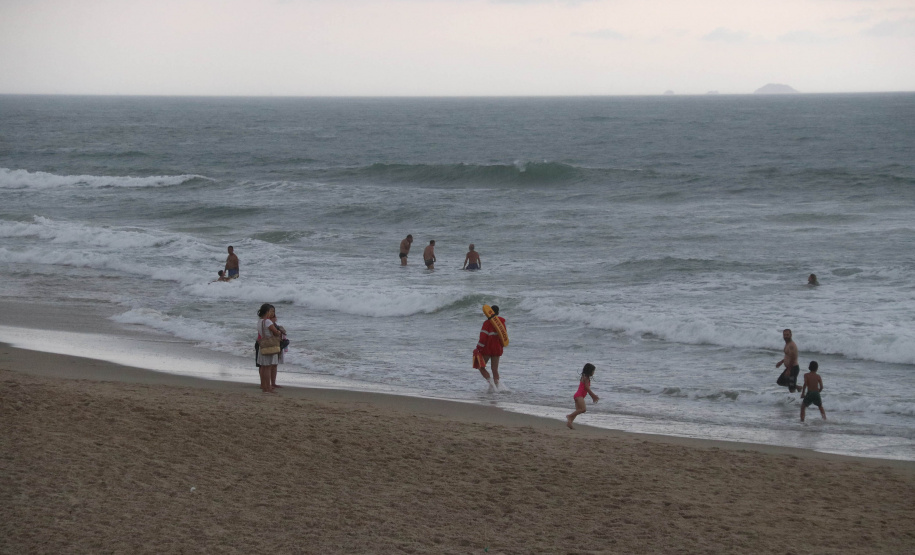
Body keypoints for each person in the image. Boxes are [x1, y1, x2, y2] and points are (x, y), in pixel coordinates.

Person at [475, 305, 506, 390]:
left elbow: (483, 338)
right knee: (495, 369)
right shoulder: (501, 323)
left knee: (480, 367)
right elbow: (504, 337)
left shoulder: (487, 323)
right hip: (497, 349)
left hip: (487, 349)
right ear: (498, 313)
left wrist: (478, 348)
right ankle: (497, 387)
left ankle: (491, 383)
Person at [256, 303, 281, 394]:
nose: (272, 313)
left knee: (263, 367)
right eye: (271, 311)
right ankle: (268, 387)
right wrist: (278, 331)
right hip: (269, 345)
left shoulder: (260, 321)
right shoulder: (268, 322)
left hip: (262, 345)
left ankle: (264, 385)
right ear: (267, 311)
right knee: (268, 367)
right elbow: (275, 332)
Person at [566, 363, 599, 429]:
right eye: (593, 371)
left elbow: (586, 388)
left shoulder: (584, 377)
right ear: (589, 371)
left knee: (578, 410)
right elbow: (587, 388)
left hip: (578, 395)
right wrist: (593, 396)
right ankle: (569, 416)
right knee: (583, 409)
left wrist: (593, 396)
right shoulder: (586, 378)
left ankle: (570, 423)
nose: (593, 372)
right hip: (579, 395)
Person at [776, 328, 800, 393]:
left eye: (787, 335)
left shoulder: (791, 345)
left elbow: (793, 358)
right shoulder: (787, 343)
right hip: (790, 368)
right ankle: (797, 387)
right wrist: (781, 362)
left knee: (791, 389)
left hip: (793, 368)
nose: (786, 336)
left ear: (791, 335)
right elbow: (788, 356)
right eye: (784, 335)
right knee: (780, 381)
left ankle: (795, 401)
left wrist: (789, 370)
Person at [269, 312, 287, 389]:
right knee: (271, 365)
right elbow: (277, 333)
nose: (275, 318)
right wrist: (279, 331)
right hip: (272, 345)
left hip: (276, 345)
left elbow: (283, 332)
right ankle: (271, 383)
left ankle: (272, 382)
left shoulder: (274, 325)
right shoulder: (270, 325)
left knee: (274, 364)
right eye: (274, 317)